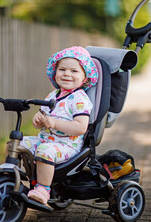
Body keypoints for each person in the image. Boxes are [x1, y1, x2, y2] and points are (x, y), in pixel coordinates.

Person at [19, 46, 98, 205]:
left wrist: (54, 123)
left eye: (74, 71)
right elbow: (42, 114)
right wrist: (38, 118)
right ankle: (12, 178)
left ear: (85, 78)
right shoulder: (52, 96)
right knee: (15, 144)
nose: (67, 74)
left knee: (45, 150)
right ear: (55, 73)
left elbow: (80, 127)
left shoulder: (79, 99)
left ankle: (43, 189)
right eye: (62, 69)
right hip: (46, 141)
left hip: (67, 145)